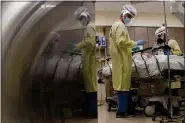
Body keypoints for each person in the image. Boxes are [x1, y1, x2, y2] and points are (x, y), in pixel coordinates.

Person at [109, 4, 146, 118]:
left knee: (123, 87)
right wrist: (135, 43)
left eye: (131, 17)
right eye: (128, 16)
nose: (129, 19)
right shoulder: (120, 26)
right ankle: (121, 112)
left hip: (120, 60)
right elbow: (121, 42)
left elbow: (122, 45)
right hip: (122, 62)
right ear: (123, 14)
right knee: (123, 87)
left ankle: (127, 109)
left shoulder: (116, 25)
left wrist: (133, 47)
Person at [74, 7, 97, 118]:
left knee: (92, 89)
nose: (80, 21)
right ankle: (92, 111)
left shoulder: (89, 27)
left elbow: (90, 42)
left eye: (80, 19)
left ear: (85, 17)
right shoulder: (90, 27)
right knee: (91, 89)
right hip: (89, 62)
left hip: (90, 64)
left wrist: (77, 46)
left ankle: (93, 113)